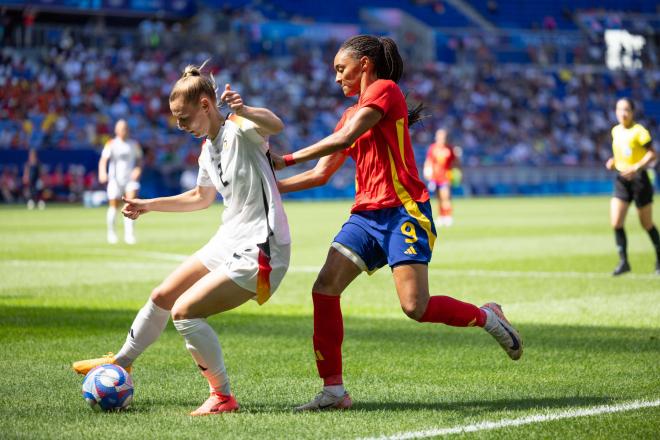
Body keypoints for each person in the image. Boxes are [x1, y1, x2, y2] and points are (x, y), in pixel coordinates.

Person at [272, 35, 523, 411]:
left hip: (404, 211)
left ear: (365, 66)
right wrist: (269, 188)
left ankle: (487, 317)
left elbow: (347, 136)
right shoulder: (349, 114)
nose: (337, 77)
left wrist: (284, 159)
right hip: (366, 217)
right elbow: (322, 174)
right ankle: (334, 392)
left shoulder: (387, 91)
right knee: (324, 287)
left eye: (341, 69)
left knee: (414, 307)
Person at [73, 63, 291, 416]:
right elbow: (200, 198)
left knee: (185, 312)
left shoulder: (240, 128)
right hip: (230, 238)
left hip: (263, 246)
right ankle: (123, 362)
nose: (181, 126)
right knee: (162, 295)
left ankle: (222, 397)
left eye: (184, 118)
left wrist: (244, 108)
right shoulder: (207, 148)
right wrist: (148, 205)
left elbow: (275, 124)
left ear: (207, 105)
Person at [605, 97, 659, 275]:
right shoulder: (615, 131)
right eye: (620, 109)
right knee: (616, 222)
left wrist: (636, 167)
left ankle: (659, 259)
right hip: (621, 180)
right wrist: (613, 163)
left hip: (639, 181)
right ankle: (624, 262)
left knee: (646, 224)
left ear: (633, 112)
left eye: (627, 109)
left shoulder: (639, 131)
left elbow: (653, 154)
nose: (623, 113)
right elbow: (621, 156)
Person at [98, 119, 143, 244]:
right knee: (114, 206)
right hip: (115, 180)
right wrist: (102, 172)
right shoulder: (111, 144)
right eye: (122, 128)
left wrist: (137, 170)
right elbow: (103, 160)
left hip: (130, 180)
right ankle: (111, 233)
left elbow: (139, 159)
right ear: (116, 130)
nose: (125, 131)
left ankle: (129, 235)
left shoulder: (134, 144)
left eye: (126, 128)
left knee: (131, 205)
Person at [423, 128, 461, 226]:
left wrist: (457, 172)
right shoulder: (433, 148)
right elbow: (429, 161)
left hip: (446, 176)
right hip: (435, 177)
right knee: (438, 198)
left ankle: (448, 216)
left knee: (446, 197)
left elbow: (456, 162)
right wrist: (427, 171)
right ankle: (441, 216)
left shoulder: (449, 148)